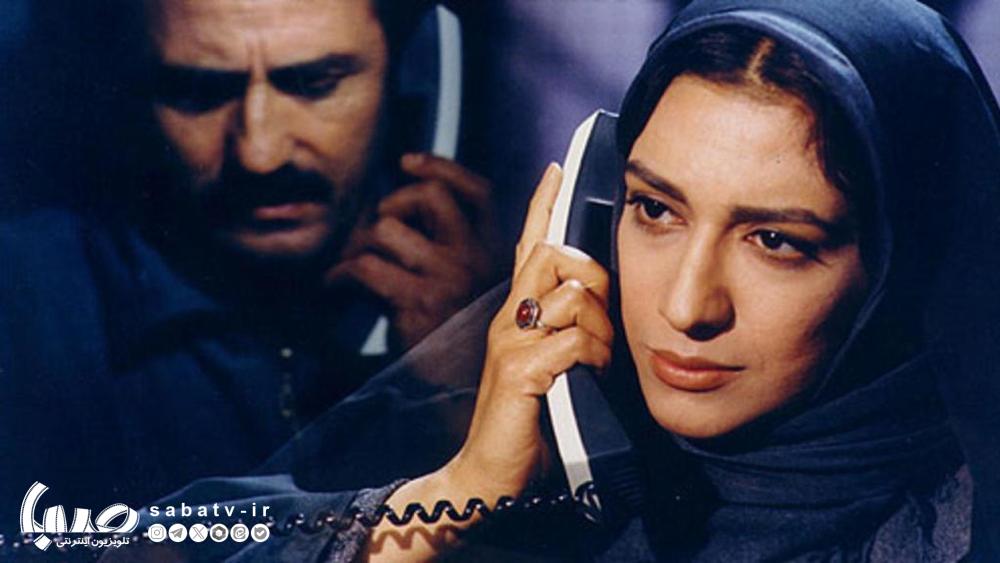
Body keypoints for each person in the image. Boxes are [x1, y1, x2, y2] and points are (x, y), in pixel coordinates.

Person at [350, 0, 999, 561]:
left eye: (775, 242)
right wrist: (464, 489)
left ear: (904, 269)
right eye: (656, 209)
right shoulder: (542, 503)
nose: (687, 306)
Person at [0, 0, 497, 533]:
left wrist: (471, 398)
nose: (259, 155)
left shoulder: (467, 315)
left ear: (409, 72)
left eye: (314, 84)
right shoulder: (25, 302)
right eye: (199, 93)